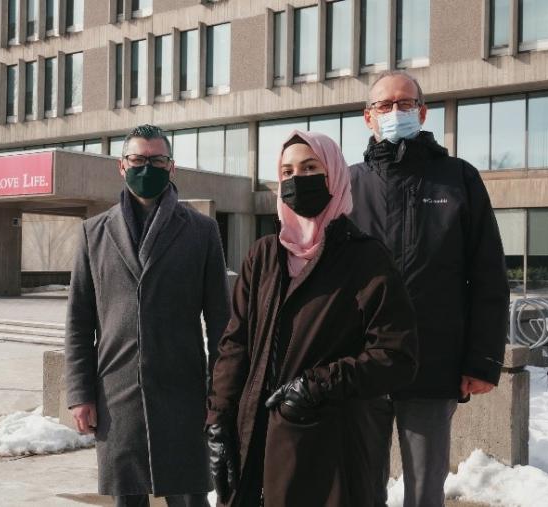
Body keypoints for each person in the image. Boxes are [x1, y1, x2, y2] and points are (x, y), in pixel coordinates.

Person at [206, 130, 419, 507]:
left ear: (334, 175)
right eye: (287, 171)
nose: (296, 179)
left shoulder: (365, 259)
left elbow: (396, 356)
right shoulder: (264, 256)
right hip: (254, 443)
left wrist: (317, 385)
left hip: (333, 452)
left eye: (309, 168)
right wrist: (219, 420)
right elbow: (234, 345)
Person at [348, 70, 510, 507]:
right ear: (368, 117)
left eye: (404, 103)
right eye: (384, 105)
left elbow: (489, 275)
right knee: (361, 485)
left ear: (422, 112)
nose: (394, 112)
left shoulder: (459, 179)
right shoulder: (346, 185)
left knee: (424, 488)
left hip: (434, 363)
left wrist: (483, 360)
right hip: (360, 364)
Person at [65, 124, 230, 507]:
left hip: (183, 393)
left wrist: (218, 392)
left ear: (171, 168)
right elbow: (78, 320)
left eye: (156, 160)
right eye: (138, 159)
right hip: (116, 394)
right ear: (122, 167)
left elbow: (221, 320)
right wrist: (79, 394)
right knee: (127, 497)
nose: (147, 167)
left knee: (188, 497)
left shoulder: (202, 231)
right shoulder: (94, 233)